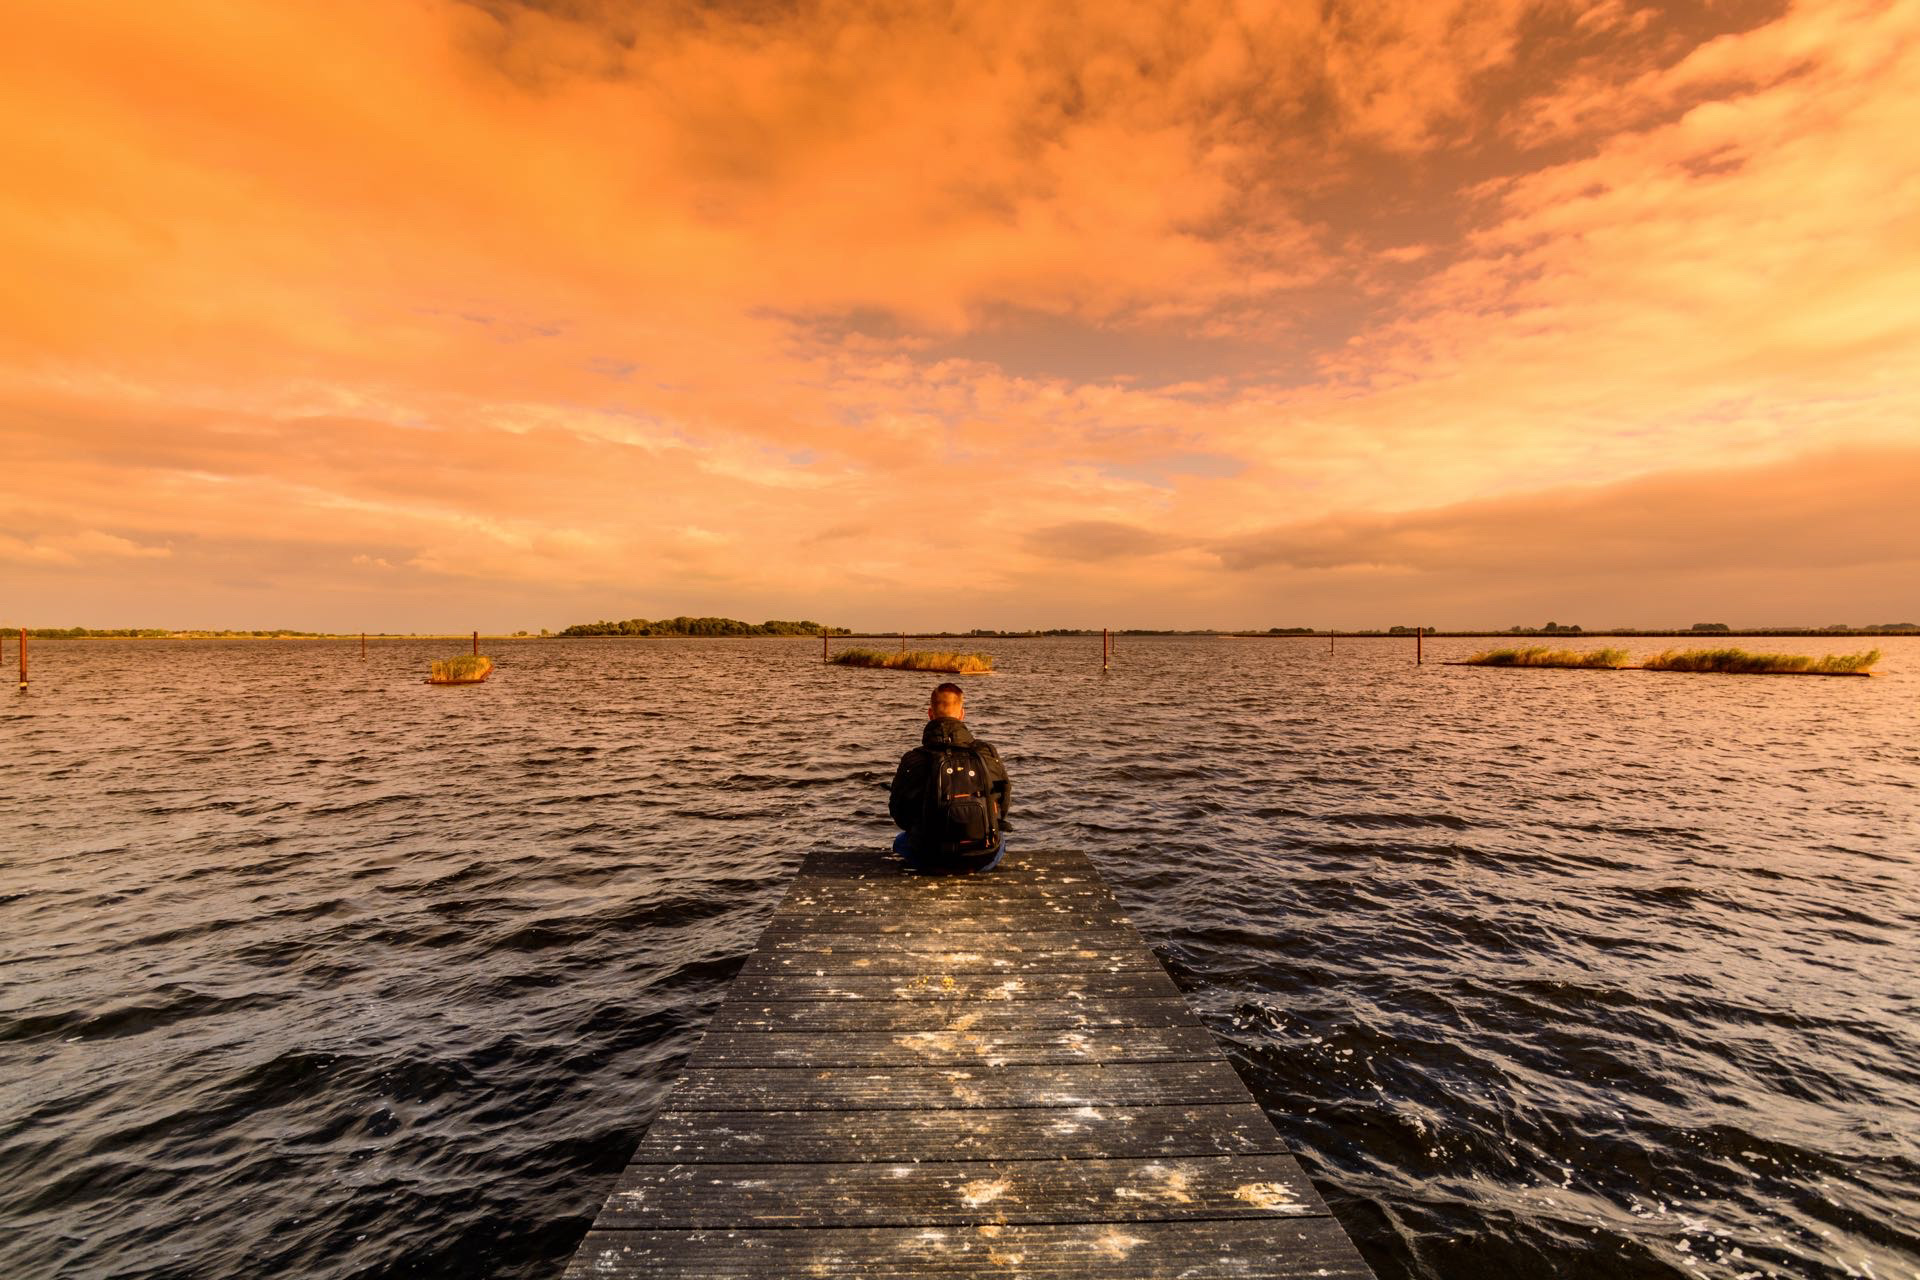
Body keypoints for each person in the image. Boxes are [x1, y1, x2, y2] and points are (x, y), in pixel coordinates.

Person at [889, 681, 1010, 872]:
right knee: (1000, 839)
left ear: (930, 714)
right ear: (962, 714)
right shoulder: (986, 753)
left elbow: (900, 814)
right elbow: (1002, 804)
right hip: (981, 857)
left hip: (931, 858)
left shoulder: (914, 759)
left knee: (900, 841)